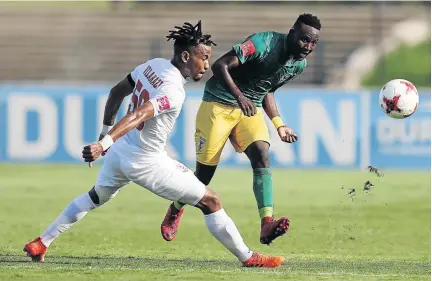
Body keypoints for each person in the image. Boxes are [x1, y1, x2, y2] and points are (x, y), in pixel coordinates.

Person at [23, 21, 284, 268]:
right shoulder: (173, 90)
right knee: (211, 201)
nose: (206, 64)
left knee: (95, 197)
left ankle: (41, 242)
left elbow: (117, 92)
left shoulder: (153, 65)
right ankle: (248, 258)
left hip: (122, 152)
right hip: (145, 161)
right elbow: (137, 114)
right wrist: (104, 143)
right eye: (202, 57)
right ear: (185, 57)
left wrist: (106, 137)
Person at [161, 14, 321, 245]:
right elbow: (219, 65)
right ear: (292, 32)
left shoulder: (298, 64)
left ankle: (267, 223)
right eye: (305, 40)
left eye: (314, 43)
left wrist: (279, 124)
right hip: (218, 103)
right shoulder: (262, 43)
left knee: (262, 155)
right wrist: (239, 97)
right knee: (203, 176)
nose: (308, 47)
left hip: (250, 109)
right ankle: (176, 208)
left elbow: (268, 89)